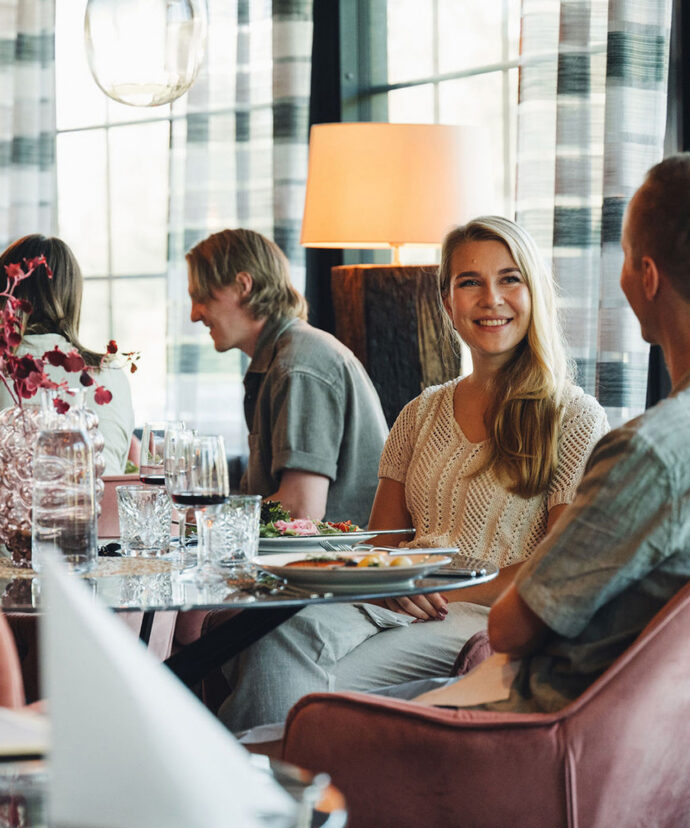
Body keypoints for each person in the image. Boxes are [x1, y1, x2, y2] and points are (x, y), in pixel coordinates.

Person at [217, 216, 609, 732]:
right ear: (447, 302)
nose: (491, 298)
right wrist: (390, 581)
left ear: (534, 292)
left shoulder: (574, 417)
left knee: (286, 674)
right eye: (470, 282)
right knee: (260, 636)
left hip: (479, 618)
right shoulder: (420, 413)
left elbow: (555, 572)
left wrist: (432, 589)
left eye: (509, 278)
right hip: (393, 603)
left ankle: (265, 799)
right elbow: (383, 541)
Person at [462, 152, 690, 715]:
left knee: (297, 740)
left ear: (647, 277)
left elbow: (509, 628)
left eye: (625, 260)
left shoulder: (651, 452)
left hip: (546, 736)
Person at [185, 228, 387, 524]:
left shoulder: (299, 366)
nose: (193, 314)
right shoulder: (284, 359)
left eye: (201, 296)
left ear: (243, 285)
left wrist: (205, 520)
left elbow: (300, 509)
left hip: (338, 563)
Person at [0, 234, 134, 475]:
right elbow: (115, 472)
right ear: (73, 298)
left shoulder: (6, 370)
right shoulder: (110, 372)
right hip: (104, 512)